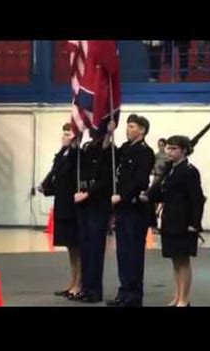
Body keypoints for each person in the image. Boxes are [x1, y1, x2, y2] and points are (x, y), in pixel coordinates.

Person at [145, 135, 204, 307]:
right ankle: (177, 295)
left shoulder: (190, 170)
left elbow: (197, 199)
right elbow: (163, 193)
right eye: (168, 148)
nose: (169, 151)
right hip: (170, 219)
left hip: (184, 221)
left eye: (174, 148)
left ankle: (184, 299)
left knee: (183, 261)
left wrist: (195, 223)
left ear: (184, 150)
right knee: (175, 260)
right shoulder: (170, 169)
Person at [106, 114, 155, 307]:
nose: (128, 129)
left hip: (135, 208)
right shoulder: (126, 149)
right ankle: (124, 291)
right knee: (123, 252)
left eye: (132, 126)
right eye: (127, 126)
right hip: (122, 209)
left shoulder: (145, 152)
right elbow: (111, 160)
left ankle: (134, 296)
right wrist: (109, 134)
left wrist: (122, 196)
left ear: (142, 130)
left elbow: (140, 180)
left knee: (134, 253)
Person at [38, 123, 81, 299]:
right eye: (64, 133)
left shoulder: (76, 155)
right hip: (62, 203)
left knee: (78, 247)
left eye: (68, 134)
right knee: (70, 248)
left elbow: (71, 176)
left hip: (73, 206)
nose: (65, 137)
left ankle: (79, 283)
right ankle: (72, 282)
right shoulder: (61, 154)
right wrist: (45, 186)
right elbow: (55, 174)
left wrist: (73, 146)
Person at [73, 125, 115, 303]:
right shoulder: (87, 148)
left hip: (98, 204)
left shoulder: (109, 150)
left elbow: (106, 178)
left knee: (95, 250)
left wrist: (89, 193)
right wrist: (75, 143)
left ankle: (94, 291)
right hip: (84, 204)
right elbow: (78, 168)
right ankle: (85, 286)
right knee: (85, 249)